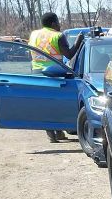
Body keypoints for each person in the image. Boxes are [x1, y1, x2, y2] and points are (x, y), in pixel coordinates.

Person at [28, 12, 84, 142]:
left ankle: (52, 134)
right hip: (54, 73)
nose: (59, 25)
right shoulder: (58, 36)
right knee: (57, 103)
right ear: (53, 23)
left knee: (43, 104)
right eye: (58, 22)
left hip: (36, 72)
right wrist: (78, 41)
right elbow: (69, 55)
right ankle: (58, 131)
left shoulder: (34, 34)